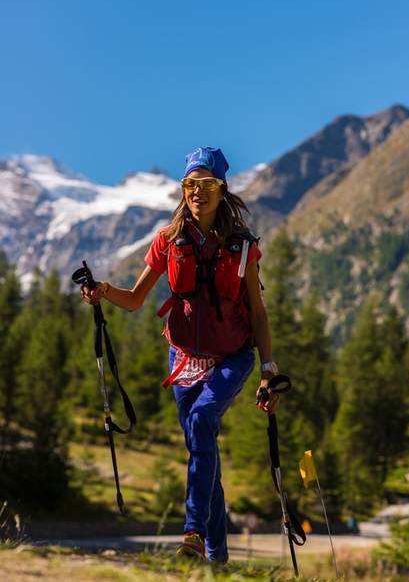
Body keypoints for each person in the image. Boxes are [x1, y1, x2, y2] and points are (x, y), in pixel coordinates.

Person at [81, 146, 279, 564]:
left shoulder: (243, 248)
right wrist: (102, 291)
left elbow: (258, 314)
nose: (197, 192)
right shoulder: (168, 241)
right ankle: (218, 559)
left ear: (221, 190)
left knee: (203, 421)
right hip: (183, 358)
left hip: (233, 355)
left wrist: (268, 371)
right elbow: (135, 299)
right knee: (202, 446)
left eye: (206, 184)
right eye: (190, 184)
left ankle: (193, 532)